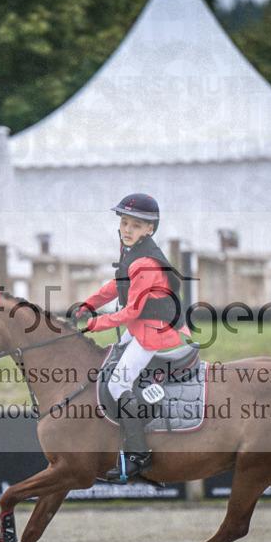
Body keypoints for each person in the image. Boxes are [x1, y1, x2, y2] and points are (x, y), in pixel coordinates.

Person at [75, 193, 192, 481]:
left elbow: (131, 311)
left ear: (150, 229)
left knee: (118, 383)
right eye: (125, 222)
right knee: (110, 359)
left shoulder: (146, 262)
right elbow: (117, 285)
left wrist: (96, 323)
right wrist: (89, 303)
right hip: (142, 325)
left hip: (155, 330)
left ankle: (139, 455)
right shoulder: (131, 250)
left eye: (136, 225)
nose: (127, 229)